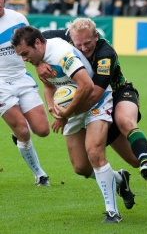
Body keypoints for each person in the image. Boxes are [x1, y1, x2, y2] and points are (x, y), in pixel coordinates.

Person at [11, 25, 135, 223]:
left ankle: (113, 213)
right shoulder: (40, 58)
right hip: (72, 109)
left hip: (96, 101)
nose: (24, 59)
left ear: (37, 43)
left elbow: (86, 85)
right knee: (81, 168)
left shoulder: (62, 54)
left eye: (25, 54)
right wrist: (52, 106)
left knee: (95, 152)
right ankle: (119, 179)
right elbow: (49, 85)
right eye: (21, 56)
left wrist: (66, 114)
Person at [35, 18, 147, 188]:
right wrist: (38, 62)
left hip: (118, 93)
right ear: (71, 38)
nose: (83, 49)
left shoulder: (106, 54)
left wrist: (66, 114)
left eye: (87, 44)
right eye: (79, 45)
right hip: (94, 103)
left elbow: (95, 95)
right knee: (133, 161)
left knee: (125, 121)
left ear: (96, 37)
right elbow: (33, 41)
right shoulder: (65, 36)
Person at [0, 0, 50, 186]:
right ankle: (39, 174)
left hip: (22, 77)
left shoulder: (18, 19)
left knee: (43, 130)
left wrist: (39, 64)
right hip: (0, 84)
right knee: (23, 131)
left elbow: (34, 43)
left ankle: (18, 134)